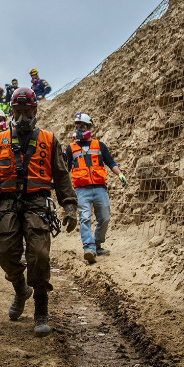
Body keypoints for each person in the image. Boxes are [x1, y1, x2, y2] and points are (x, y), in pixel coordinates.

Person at [0, 87, 77, 337]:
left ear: (35, 110)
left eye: (27, 111)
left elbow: (62, 175)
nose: (22, 117)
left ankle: (41, 310)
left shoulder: (49, 139)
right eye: (17, 111)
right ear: (12, 111)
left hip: (37, 204)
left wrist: (70, 206)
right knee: (2, 252)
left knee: (39, 256)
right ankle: (21, 289)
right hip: (7, 204)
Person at [65, 112, 126, 263]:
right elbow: (65, 170)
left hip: (99, 188)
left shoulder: (99, 146)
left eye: (82, 127)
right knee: (85, 218)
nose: (79, 129)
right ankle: (89, 248)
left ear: (89, 127)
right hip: (81, 190)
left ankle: (97, 244)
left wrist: (120, 174)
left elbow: (110, 162)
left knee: (104, 218)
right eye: (77, 126)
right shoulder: (70, 148)